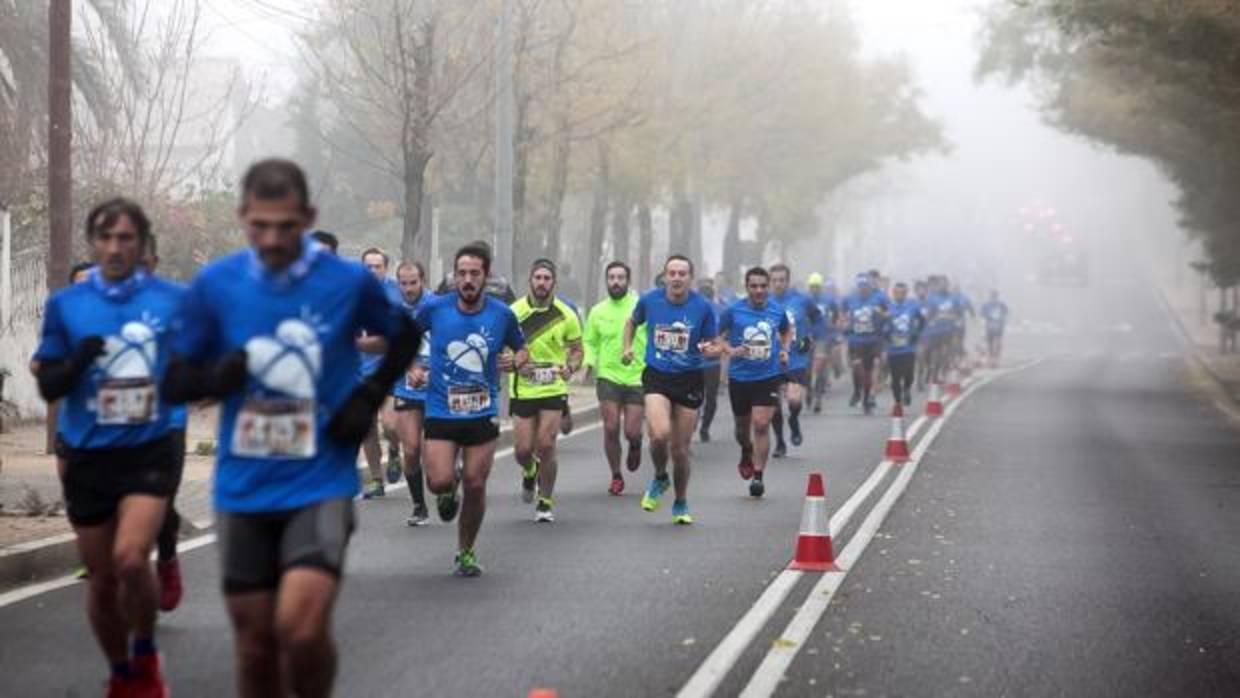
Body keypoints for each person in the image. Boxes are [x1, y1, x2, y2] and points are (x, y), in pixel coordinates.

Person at [163, 158, 419, 698]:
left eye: (286, 226)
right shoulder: (217, 284)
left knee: (301, 632)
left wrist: (368, 396)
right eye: (260, 226)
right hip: (242, 488)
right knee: (255, 647)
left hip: (319, 482)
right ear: (242, 219)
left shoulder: (347, 281)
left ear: (308, 217)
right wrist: (216, 374)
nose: (273, 238)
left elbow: (405, 335)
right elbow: (174, 379)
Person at [33, 198, 184, 696]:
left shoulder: (172, 299)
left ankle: (145, 655)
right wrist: (76, 362)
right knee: (101, 580)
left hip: (149, 448)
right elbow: (50, 385)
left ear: (141, 244)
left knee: (128, 557)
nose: (116, 247)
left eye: (126, 238)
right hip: (88, 453)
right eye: (106, 237)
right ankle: (121, 670)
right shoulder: (66, 305)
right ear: (93, 243)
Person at [417, 244, 528, 575]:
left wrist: (515, 360)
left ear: (486, 276)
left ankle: (465, 552)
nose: (467, 280)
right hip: (441, 408)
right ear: (454, 275)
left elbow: (523, 350)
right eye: (461, 273)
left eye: (474, 274)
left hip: (482, 410)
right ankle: (446, 490)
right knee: (438, 481)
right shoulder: (435, 308)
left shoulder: (501, 314)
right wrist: (412, 365)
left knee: (476, 483)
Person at [622, 255, 720, 525]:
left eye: (682, 273)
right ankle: (659, 476)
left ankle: (680, 501)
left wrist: (711, 349)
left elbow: (712, 342)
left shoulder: (702, 307)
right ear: (665, 276)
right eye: (672, 273)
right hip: (657, 376)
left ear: (691, 278)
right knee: (658, 435)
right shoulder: (650, 300)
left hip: (689, 378)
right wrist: (627, 347)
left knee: (680, 450)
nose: (676, 278)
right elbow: (631, 323)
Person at [508, 259, 583, 522]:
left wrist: (570, 369)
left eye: (546, 279)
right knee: (522, 450)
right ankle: (530, 471)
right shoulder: (514, 312)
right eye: (537, 278)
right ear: (530, 280)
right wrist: (517, 363)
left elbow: (576, 350)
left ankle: (545, 501)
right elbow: (503, 349)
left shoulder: (566, 314)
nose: (542, 283)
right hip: (523, 389)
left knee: (546, 443)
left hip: (552, 386)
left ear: (554, 283)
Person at [716, 267, 791, 498]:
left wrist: (785, 351)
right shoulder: (733, 310)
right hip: (740, 377)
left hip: (767, 377)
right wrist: (729, 349)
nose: (759, 290)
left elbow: (786, 332)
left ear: (768, 287)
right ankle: (746, 450)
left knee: (760, 424)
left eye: (762, 286)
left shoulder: (777, 311)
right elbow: (716, 335)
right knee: (741, 430)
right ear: (747, 287)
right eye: (754, 286)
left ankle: (758, 476)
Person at [142, 235, 187, 614]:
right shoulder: (90, 303)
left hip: (166, 422)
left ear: (154, 261)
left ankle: (167, 556)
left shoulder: (176, 302)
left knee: (161, 503)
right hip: (110, 427)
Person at [583, 261, 646, 495]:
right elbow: (589, 341)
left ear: (628, 281)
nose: (616, 282)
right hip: (608, 375)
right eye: (611, 277)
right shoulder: (598, 311)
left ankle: (636, 444)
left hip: (637, 375)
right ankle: (616, 475)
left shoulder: (640, 307)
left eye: (620, 277)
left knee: (631, 431)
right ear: (606, 281)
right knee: (610, 427)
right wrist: (589, 363)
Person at [391, 261, 437, 527]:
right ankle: (419, 505)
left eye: (413, 283)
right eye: (403, 283)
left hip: (438, 386)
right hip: (406, 384)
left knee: (434, 454)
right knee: (410, 450)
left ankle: (447, 479)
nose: (408, 289)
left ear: (423, 280)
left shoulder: (438, 306)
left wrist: (435, 369)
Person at [357, 248, 404, 499]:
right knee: (367, 430)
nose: (372, 271)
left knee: (390, 425)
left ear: (386, 268)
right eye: (368, 266)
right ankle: (377, 480)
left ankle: (395, 451)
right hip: (359, 372)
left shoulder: (396, 292)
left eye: (377, 266)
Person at [769, 264, 821, 456]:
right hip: (771, 361)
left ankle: (794, 420)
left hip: (796, 358)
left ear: (787, 281)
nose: (778, 284)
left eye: (781, 280)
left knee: (794, 400)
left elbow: (818, 318)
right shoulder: (763, 302)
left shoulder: (802, 300)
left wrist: (811, 337)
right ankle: (780, 443)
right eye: (774, 280)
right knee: (774, 406)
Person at [840, 274, 889, 414]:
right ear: (857, 288)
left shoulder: (878, 298)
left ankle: (866, 398)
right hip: (855, 340)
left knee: (867, 373)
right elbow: (842, 313)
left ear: (870, 287)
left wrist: (883, 316)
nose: (863, 290)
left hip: (872, 341)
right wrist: (844, 322)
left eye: (866, 287)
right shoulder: (850, 299)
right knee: (856, 368)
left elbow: (889, 313)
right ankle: (856, 391)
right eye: (861, 287)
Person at [884, 282, 924, 407]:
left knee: (909, 374)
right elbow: (880, 324)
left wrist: (916, 334)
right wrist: (885, 333)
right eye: (897, 293)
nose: (900, 295)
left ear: (906, 294)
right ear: (893, 294)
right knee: (895, 377)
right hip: (893, 348)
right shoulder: (888, 308)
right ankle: (897, 401)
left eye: (902, 293)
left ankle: (906, 389)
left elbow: (922, 320)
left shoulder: (912, 306)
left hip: (908, 347)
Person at [695, 277, 725, 443]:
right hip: (709, 362)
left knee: (695, 397)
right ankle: (704, 428)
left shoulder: (719, 309)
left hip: (705, 362)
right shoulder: (719, 309)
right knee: (710, 398)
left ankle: (700, 427)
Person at [806, 272, 839, 414]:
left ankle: (818, 398)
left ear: (821, 287)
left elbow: (836, 313)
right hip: (806, 338)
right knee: (806, 369)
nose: (814, 289)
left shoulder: (828, 300)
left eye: (817, 286)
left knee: (820, 369)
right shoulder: (804, 300)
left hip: (822, 338)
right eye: (812, 287)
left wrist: (831, 324)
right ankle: (808, 391)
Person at [980, 290, 1010, 366]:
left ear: (997, 297)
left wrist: (1003, 318)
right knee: (990, 343)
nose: (994, 298)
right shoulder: (986, 305)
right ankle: (990, 358)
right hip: (989, 326)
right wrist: (987, 317)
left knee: (998, 342)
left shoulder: (1001, 305)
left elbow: (1006, 312)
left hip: (999, 326)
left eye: (995, 296)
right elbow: (982, 313)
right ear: (990, 297)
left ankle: (996, 358)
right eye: (992, 296)